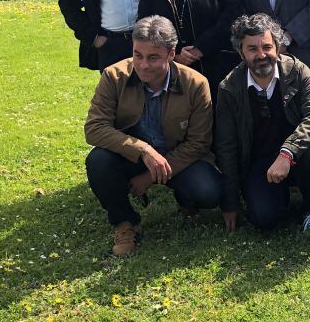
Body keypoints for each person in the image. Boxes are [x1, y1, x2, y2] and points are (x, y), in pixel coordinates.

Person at [84, 16, 222, 256]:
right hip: (133, 156)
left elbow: (199, 142)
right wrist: (142, 150)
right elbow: (94, 127)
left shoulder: (196, 84)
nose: (144, 64)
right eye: (138, 55)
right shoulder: (113, 76)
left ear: (171, 53)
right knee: (98, 162)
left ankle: (185, 198)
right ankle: (125, 222)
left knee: (209, 193)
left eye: (153, 57)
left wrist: (149, 177)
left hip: (177, 155)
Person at [215, 14, 310, 233]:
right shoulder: (229, 88)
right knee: (263, 219)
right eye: (252, 49)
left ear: (277, 47)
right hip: (260, 160)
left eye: (267, 46)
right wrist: (230, 202)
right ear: (241, 52)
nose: (261, 55)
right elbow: (226, 145)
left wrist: (288, 153)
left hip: (298, 154)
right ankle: (279, 197)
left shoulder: (298, 71)